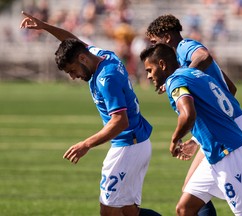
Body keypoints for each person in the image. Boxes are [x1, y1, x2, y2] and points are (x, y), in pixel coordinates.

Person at [20, 11, 161, 216]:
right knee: (129, 212)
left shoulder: (107, 78)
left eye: (72, 70)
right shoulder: (102, 56)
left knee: (108, 211)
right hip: (135, 143)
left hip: (128, 146)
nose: (73, 76)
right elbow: (72, 41)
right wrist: (45, 27)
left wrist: (86, 144)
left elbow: (120, 121)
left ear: (82, 59)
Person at [146, 14, 242, 216]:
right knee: (189, 201)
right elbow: (231, 87)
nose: (153, 47)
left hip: (229, 129)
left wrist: (183, 76)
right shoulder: (183, 63)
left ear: (166, 37)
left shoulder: (185, 48)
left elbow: (203, 56)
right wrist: (198, 136)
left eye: (154, 41)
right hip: (227, 123)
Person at [140, 43, 242, 216]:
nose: (148, 76)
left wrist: (175, 139)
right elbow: (227, 94)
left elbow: (188, 114)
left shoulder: (175, 81)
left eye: (149, 70)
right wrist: (197, 139)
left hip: (229, 153)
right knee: (185, 208)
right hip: (216, 152)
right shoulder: (195, 74)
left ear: (162, 64)